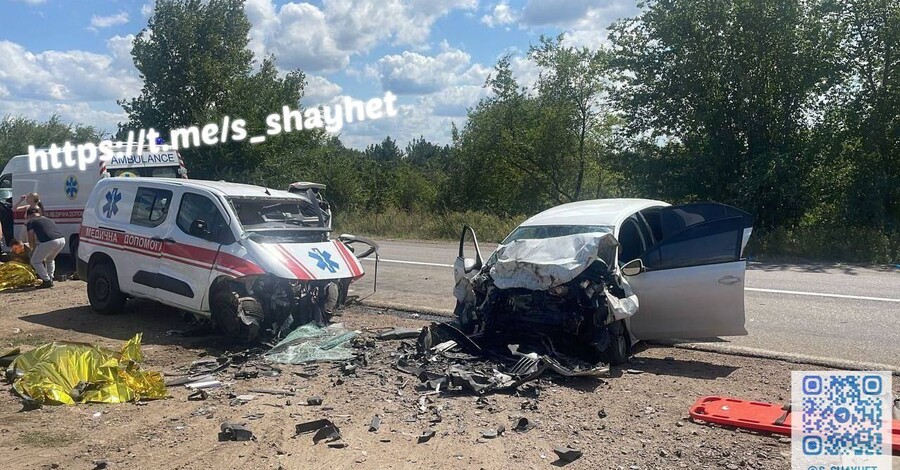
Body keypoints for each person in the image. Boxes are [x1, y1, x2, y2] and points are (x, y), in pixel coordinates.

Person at [25, 207, 65, 288]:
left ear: (28, 215)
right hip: (61, 240)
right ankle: (50, 277)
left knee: (35, 261)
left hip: (49, 241)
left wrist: (32, 249)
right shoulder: (47, 219)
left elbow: (30, 236)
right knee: (50, 259)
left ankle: (46, 280)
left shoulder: (31, 221)